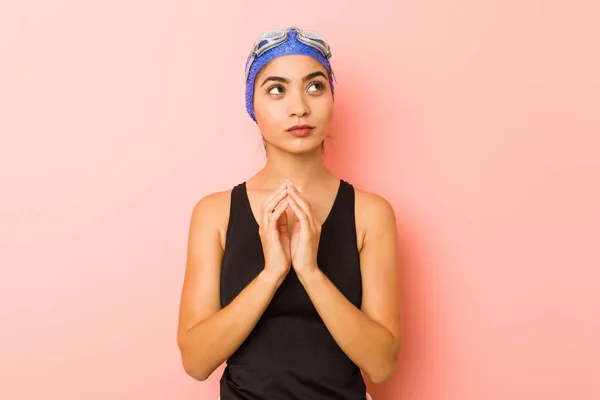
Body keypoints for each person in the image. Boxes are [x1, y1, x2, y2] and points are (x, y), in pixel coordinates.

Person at [177, 27, 402, 400]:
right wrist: (272, 273)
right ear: (253, 105)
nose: (299, 106)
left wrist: (310, 271)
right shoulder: (214, 214)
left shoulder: (370, 214)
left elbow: (381, 365)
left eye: (315, 86)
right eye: (277, 89)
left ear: (332, 98)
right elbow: (196, 362)